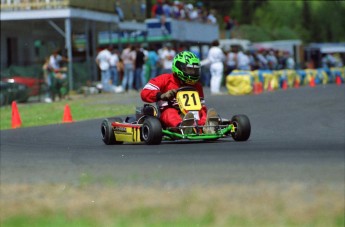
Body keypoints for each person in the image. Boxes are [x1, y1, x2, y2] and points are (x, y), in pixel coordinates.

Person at [141, 51, 219, 134]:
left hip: (192, 114)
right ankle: (183, 127)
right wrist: (162, 95)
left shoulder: (197, 86)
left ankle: (206, 127)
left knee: (202, 112)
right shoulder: (165, 79)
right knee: (170, 113)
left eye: (195, 70)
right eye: (189, 69)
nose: (193, 73)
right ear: (179, 67)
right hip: (170, 112)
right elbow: (145, 92)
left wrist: (203, 115)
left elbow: (201, 105)